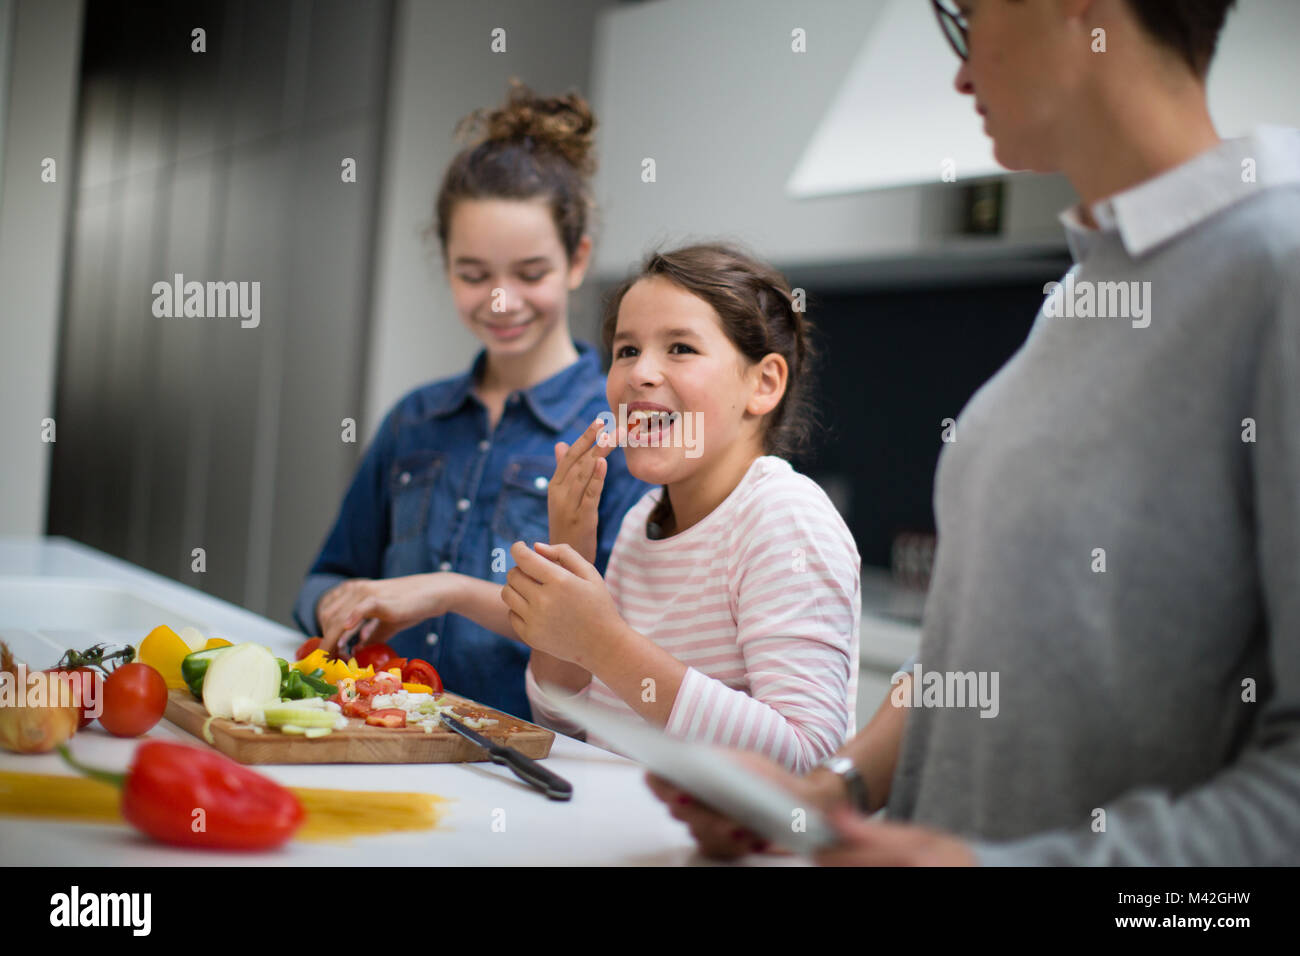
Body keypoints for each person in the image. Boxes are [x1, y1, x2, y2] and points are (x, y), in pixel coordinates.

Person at [650, 0, 1300, 865]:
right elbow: (974, 658)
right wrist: (830, 792)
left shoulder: (1279, 267)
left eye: (969, 17)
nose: (958, 71)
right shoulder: (1084, 294)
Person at [331, 243, 863, 771]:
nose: (639, 374)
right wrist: (570, 555)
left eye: (680, 348)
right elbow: (568, 724)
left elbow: (808, 762)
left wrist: (603, 641)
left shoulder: (784, 517)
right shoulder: (642, 521)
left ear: (763, 383)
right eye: (627, 350)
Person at [292, 80, 649, 720]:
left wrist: (445, 593)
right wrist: (336, 606)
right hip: (381, 738)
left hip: (522, 762)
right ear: (446, 262)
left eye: (530, 273)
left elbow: (622, 639)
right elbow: (325, 576)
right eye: (474, 274)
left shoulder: (616, 432)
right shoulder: (415, 419)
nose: (501, 301)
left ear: (577, 260)